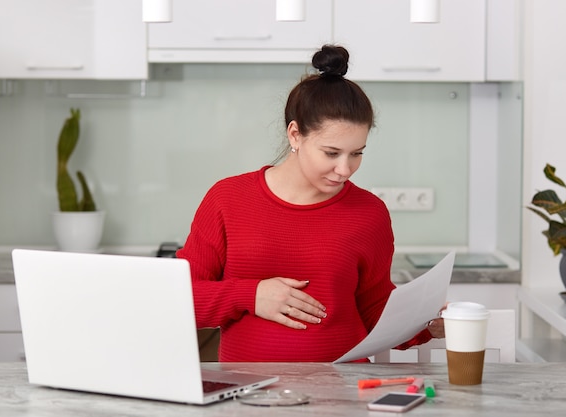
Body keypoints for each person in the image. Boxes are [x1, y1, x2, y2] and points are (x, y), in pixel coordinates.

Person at [176, 44, 445, 362]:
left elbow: (374, 309)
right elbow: (180, 298)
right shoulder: (227, 199)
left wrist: (425, 324)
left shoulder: (368, 212)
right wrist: (251, 294)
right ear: (295, 135)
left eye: (357, 153)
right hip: (247, 397)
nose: (345, 169)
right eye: (331, 153)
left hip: (345, 393)